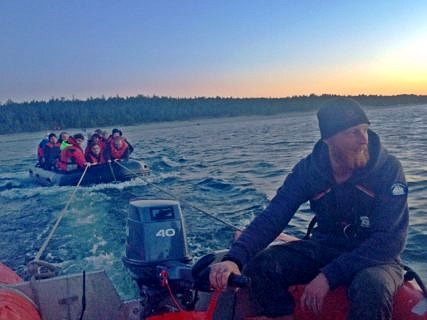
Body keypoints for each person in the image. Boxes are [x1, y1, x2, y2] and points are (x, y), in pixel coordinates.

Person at [209, 97, 409, 320]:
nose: (364, 140)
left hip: (376, 258)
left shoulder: (388, 169)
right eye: (353, 132)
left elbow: (389, 242)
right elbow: (274, 216)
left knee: (371, 285)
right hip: (324, 247)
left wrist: (328, 277)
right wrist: (234, 258)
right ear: (329, 139)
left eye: (365, 129)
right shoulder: (309, 170)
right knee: (262, 265)